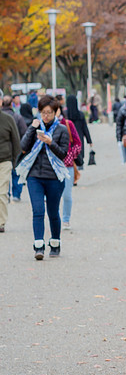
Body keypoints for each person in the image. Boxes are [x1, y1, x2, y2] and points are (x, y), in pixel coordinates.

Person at [17, 94, 69, 259]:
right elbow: (23, 146)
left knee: (53, 212)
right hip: (35, 176)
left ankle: (55, 242)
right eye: (43, 112)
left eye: (49, 113)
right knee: (38, 211)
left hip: (54, 177)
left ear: (55, 113)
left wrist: (49, 142)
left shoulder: (61, 130)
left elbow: (63, 154)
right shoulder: (35, 127)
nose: (45, 116)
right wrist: (32, 128)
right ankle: (38, 246)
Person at [56, 97, 83, 232]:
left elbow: (78, 142)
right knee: (52, 196)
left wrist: (71, 155)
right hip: (50, 167)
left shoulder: (67, 124)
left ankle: (66, 219)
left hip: (67, 166)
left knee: (67, 194)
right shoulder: (43, 127)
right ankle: (54, 219)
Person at [0, 99, 21, 233]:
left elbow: (16, 141)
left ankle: (1, 222)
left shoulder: (8, 119)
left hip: (5, 161)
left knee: (1, 192)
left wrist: (15, 162)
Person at [2, 96, 26, 205]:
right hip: (14, 152)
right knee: (16, 174)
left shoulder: (6, 118)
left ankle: (6, 194)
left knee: (4, 179)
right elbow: (22, 134)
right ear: (12, 104)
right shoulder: (17, 117)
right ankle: (16, 194)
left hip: (5, 154)